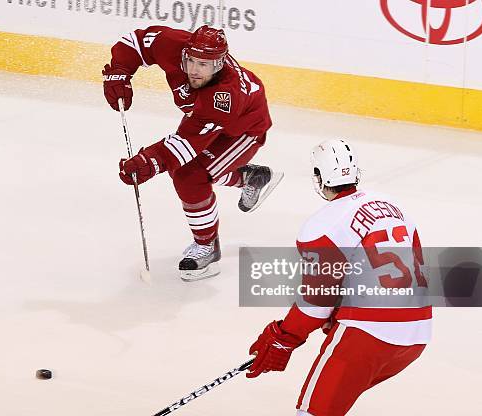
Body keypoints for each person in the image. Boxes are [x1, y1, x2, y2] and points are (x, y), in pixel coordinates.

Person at [247, 139, 431, 416]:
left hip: (367, 336)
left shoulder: (322, 225)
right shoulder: (393, 206)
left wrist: (285, 336)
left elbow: (316, 301)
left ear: (319, 178)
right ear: (355, 172)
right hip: (417, 335)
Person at [102, 25, 282, 281]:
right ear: (185, 53)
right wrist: (119, 71)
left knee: (190, 175)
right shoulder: (173, 44)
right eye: (192, 61)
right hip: (205, 123)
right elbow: (137, 41)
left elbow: (185, 144)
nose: (195, 70)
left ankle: (207, 247)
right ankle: (251, 178)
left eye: (204, 64)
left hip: (243, 129)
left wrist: (148, 163)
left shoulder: (224, 97)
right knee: (193, 171)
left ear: (219, 64)